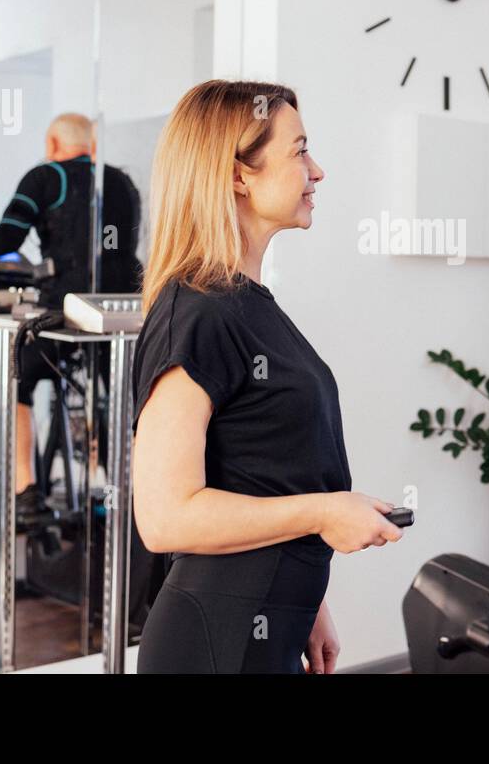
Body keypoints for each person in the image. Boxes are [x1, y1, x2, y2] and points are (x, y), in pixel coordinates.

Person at [130, 80, 402, 674]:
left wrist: (310, 604)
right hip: (213, 640)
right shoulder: (197, 312)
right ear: (237, 176)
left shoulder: (247, 302)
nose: (318, 171)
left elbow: (262, 473)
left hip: (266, 624)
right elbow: (164, 516)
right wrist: (324, 513)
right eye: (300, 151)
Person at [0, 112, 142, 515]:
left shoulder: (45, 177)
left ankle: (25, 488)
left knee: (12, 370)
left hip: (67, 311)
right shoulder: (123, 181)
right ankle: (125, 489)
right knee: (123, 396)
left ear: (52, 143)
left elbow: (3, 240)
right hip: (124, 311)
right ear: (92, 146)